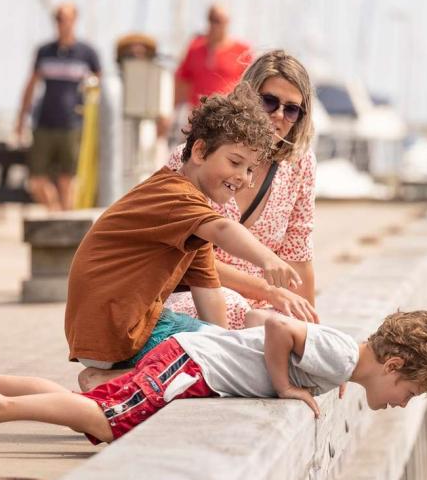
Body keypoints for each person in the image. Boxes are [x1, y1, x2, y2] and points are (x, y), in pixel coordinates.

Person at [65, 83, 301, 380]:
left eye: (251, 169)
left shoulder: (193, 218)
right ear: (200, 151)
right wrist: (268, 259)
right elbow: (224, 229)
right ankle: (113, 380)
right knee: (227, 362)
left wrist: (224, 348)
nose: (243, 177)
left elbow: (209, 293)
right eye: (235, 162)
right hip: (115, 329)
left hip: (130, 324)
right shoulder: (175, 196)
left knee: (227, 353)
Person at [0, 311, 427, 444]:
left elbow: (257, 320)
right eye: (408, 393)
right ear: (393, 367)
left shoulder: (342, 361)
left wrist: (320, 377)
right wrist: (285, 386)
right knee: (105, 421)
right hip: (190, 366)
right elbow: (276, 326)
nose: (402, 403)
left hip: (189, 358)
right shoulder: (338, 356)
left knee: (83, 406)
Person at [166, 49, 318, 328]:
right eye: (269, 101)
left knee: (294, 335)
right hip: (194, 293)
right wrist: (267, 291)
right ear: (248, 97)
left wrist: (310, 326)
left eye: (292, 109)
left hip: (263, 303)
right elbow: (189, 258)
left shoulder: (300, 164)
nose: (279, 115)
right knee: (247, 317)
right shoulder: (195, 158)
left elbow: (299, 254)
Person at [16, 3, 101, 211]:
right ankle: (54, 213)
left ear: (75, 20)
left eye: (67, 18)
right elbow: (30, 86)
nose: (63, 23)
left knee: (68, 181)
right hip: (43, 122)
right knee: (36, 179)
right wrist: (20, 120)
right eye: (59, 19)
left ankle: (66, 229)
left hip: (73, 124)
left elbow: (101, 90)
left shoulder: (87, 54)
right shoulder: (44, 52)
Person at [174, 3, 252, 109]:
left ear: (227, 22)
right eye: (212, 20)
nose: (214, 25)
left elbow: (250, 86)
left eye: (218, 21)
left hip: (228, 114)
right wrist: (171, 110)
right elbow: (182, 81)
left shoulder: (242, 50)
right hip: (198, 114)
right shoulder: (194, 48)